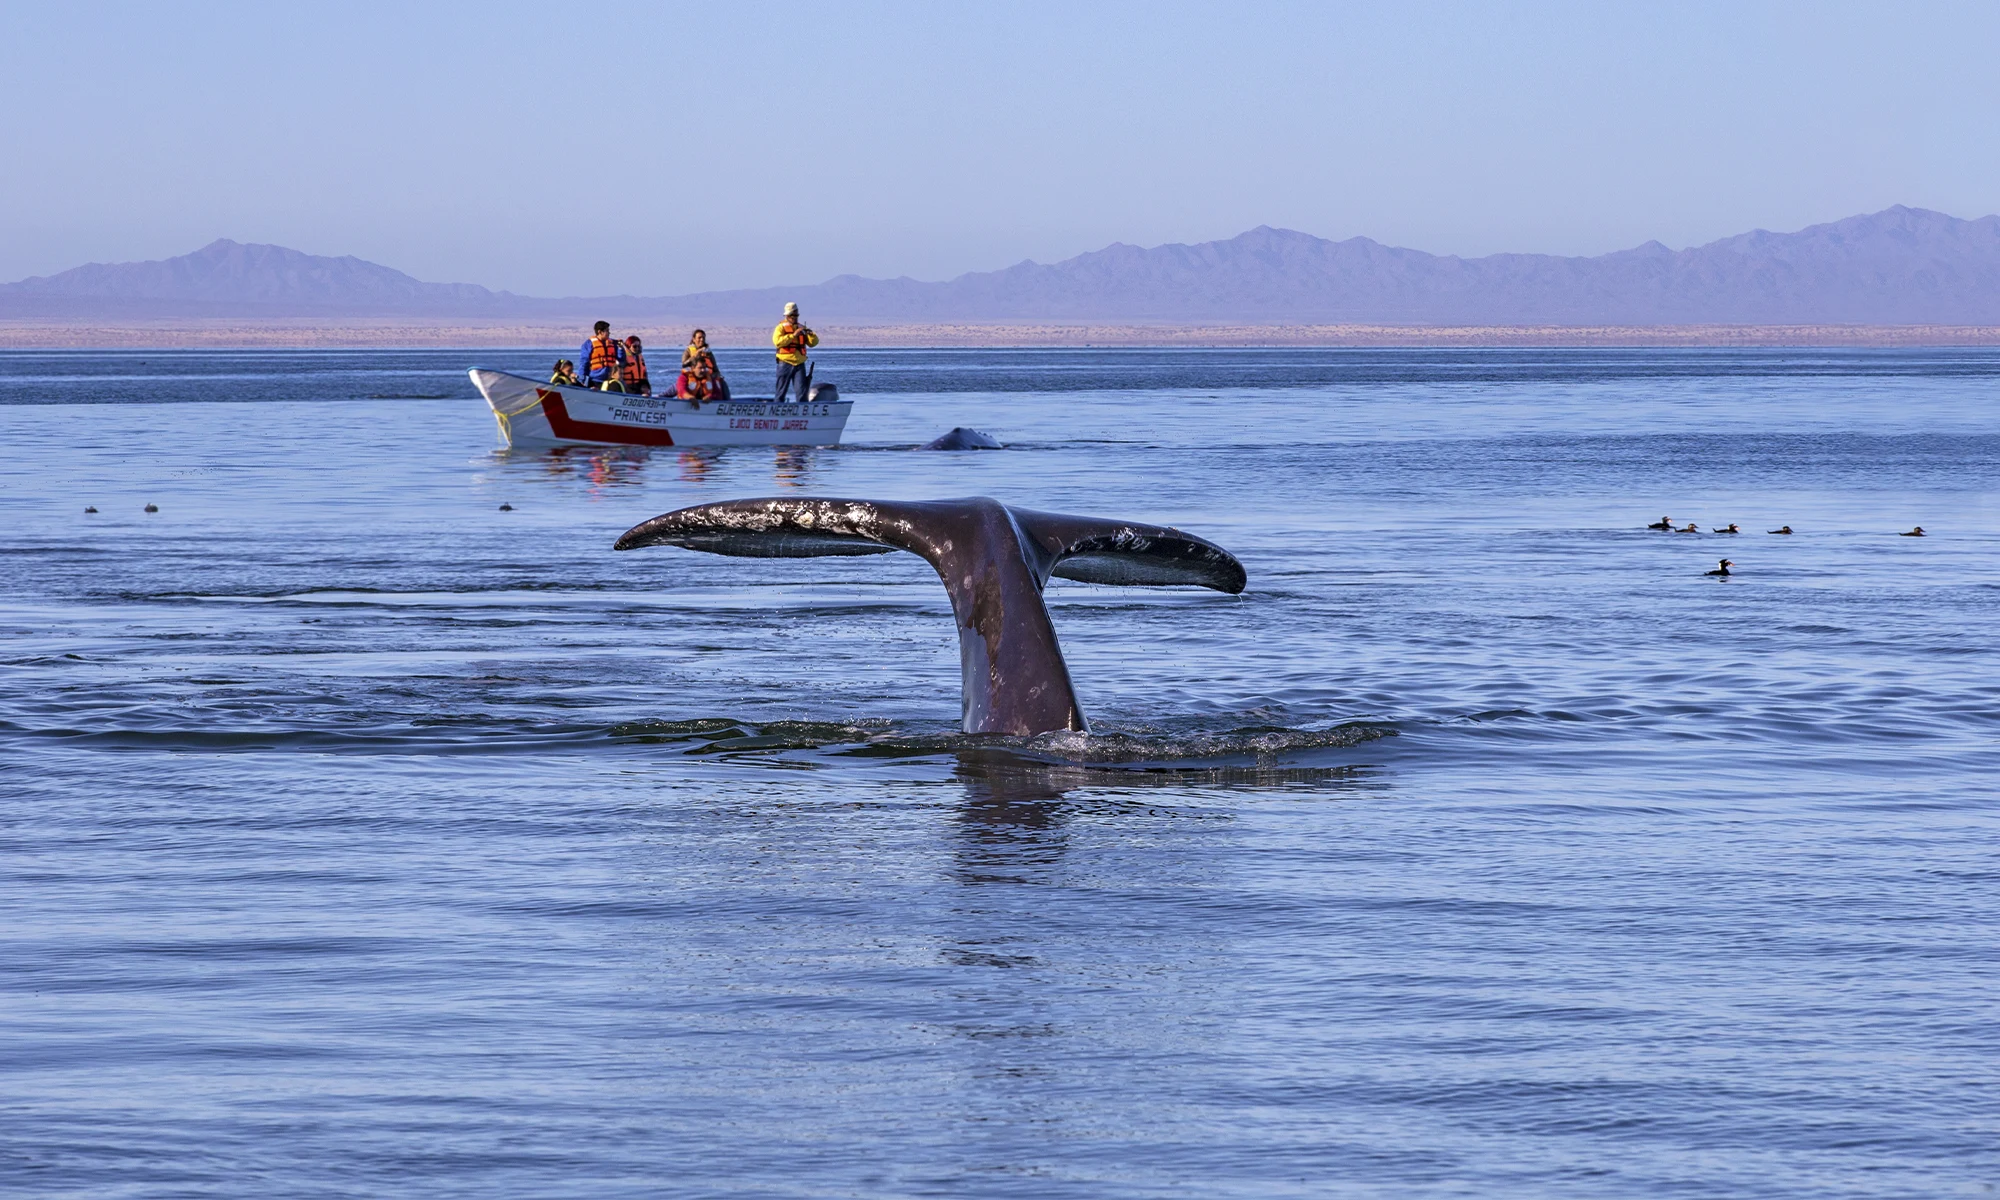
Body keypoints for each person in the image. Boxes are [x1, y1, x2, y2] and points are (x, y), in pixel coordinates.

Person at [771, 302, 819, 403]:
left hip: (799, 364)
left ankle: (803, 414)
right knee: (781, 392)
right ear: (787, 316)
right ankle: (777, 411)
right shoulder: (781, 328)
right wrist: (793, 335)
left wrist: (811, 335)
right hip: (785, 363)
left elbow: (813, 343)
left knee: (801, 392)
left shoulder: (802, 328)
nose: (794, 318)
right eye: (792, 316)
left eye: (796, 315)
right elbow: (777, 342)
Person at [677, 329, 727, 404]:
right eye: (699, 338)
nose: (702, 340)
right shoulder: (688, 351)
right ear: (694, 339)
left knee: (722, 387)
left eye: (703, 338)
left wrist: (715, 377)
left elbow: (715, 368)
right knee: (678, 387)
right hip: (691, 378)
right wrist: (696, 354)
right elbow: (684, 364)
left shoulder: (708, 352)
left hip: (708, 379)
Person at [578, 320, 627, 391]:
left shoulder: (613, 343)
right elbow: (584, 363)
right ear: (599, 332)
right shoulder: (588, 344)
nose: (609, 333)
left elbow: (621, 360)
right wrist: (581, 379)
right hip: (595, 380)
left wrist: (620, 348)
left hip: (611, 380)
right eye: (607, 330)